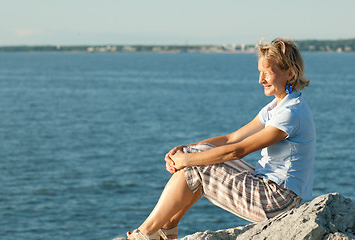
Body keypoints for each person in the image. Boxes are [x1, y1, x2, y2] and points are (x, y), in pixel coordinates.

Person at [126, 38, 316, 240]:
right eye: (259, 72)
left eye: (267, 73)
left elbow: (238, 150)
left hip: (278, 201)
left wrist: (186, 160)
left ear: (290, 73)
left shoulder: (291, 113)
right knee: (197, 155)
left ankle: (145, 233)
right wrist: (184, 149)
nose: (261, 79)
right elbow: (231, 138)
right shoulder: (275, 108)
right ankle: (167, 228)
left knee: (197, 164)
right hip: (270, 189)